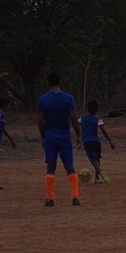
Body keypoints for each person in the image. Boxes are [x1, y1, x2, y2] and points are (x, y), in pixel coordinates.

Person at [37, 72, 82, 207]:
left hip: (50, 136)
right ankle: (75, 197)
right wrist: (78, 135)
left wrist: (43, 136)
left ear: (48, 83)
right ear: (60, 82)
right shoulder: (68, 98)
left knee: (51, 167)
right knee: (69, 166)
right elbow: (73, 118)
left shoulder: (43, 99)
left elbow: (40, 121)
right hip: (64, 136)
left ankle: (50, 199)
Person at [80, 100, 114, 185]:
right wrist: (110, 141)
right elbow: (103, 130)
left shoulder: (82, 118)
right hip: (97, 142)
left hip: (87, 142)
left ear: (88, 109)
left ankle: (102, 173)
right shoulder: (98, 120)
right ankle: (96, 178)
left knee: (94, 161)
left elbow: (77, 123)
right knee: (97, 159)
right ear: (97, 110)